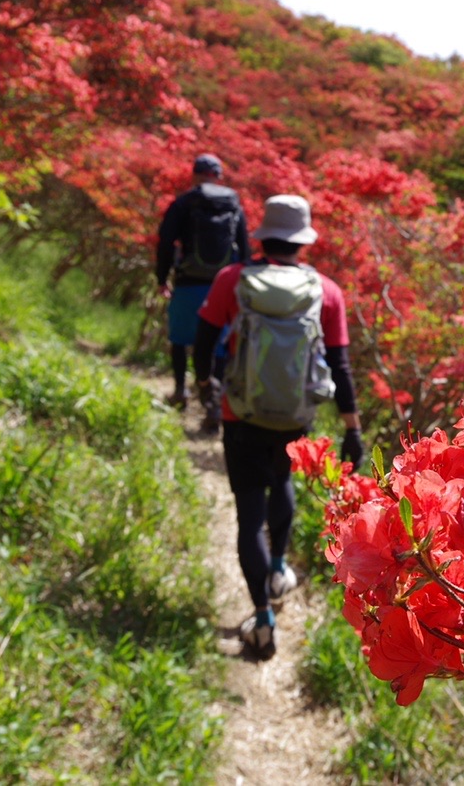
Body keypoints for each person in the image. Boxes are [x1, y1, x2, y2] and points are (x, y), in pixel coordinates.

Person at [193, 194, 364, 659]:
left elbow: (203, 339)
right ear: (303, 240)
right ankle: (277, 566)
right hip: (295, 417)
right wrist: (353, 429)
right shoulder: (327, 291)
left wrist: (206, 388)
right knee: (283, 479)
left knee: (249, 515)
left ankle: (262, 620)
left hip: (240, 413)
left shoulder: (233, 279)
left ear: (263, 235)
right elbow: (340, 366)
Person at [155, 153, 249, 433]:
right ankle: (214, 406)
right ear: (218, 176)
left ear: (194, 174)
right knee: (218, 346)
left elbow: (165, 241)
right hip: (224, 286)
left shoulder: (184, 202)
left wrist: (162, 277)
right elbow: (244, 249)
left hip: (187, 280)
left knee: (180, 338)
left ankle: (180, 391)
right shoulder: (234, 204)